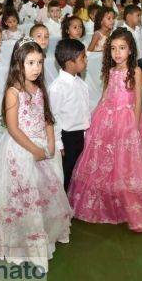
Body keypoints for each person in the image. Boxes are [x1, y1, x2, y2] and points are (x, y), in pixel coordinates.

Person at [0, 37, 71, 271]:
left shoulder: (39, 88)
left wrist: (50, 143)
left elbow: (47, 117)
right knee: (23, 197)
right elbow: (13, 128)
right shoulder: (14, 91)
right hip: (21, 149)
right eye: (30, 63)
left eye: (39, 62)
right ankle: (21, 241)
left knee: (43, 194)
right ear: (18, 64)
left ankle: (42, 234)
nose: (36, 68)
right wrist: (34, 150)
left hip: (42, 146)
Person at [68, 28, 142, 231]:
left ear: (130, 50)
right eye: (113, 48)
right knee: (104, 159)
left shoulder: (136, 71)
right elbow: (106, 93)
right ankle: (105, 199)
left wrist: (135, 125)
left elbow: (139, 100)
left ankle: (128, 203)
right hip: (107, 117)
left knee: (125, 161)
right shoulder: (112, 71)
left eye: (122, 48)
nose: (117, 53)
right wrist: (97, 112)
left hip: (126, 119)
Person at [49, 39, 89, 191]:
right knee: (66, 171)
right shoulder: (57, 88)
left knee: (78, 170)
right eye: (82, 58)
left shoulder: (80, 82)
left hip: (81, 133)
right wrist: (59, 143)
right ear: (70, 63)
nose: (86, 61)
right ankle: (63, 201)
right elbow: (53, 117)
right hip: (67, 137)